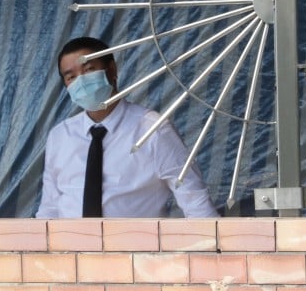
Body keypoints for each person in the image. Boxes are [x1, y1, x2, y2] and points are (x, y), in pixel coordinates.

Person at [36, 36, 219, 218]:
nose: (81, 82)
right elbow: (49, 209)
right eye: (71, 77)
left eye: (89, 69)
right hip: (70, 245)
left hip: (137, 245)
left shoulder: (153, 129)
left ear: (112, 70)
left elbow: (194, 200)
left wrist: (213, 242)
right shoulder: (60, 136)